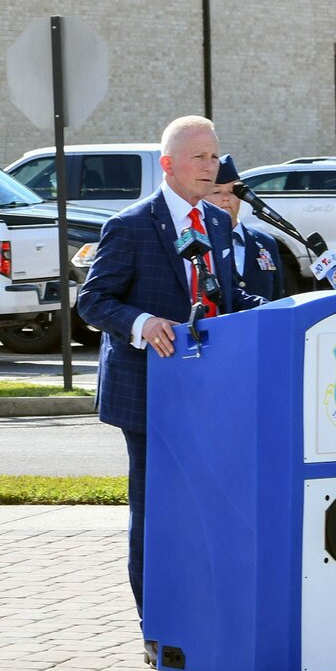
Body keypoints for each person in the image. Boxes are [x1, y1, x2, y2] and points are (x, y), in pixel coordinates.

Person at [76, 116, 244, 637]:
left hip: (209, 391)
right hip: (149, 394)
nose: (210, 166)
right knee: (157, 511)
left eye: (214, 157)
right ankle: (159, 623)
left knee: (207, 505)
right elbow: (92, 301)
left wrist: (293, 310)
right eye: (199, 158)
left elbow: (231, 300)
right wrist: (144, 325)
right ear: (168, 165)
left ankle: (205, 610)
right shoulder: (130, 225)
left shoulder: (217, 223)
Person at [208, 154, 285, 305]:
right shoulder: (199, 244)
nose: (226, 198)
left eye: (233, 192)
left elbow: (277, 298)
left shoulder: (265, 242)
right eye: (216, 192)